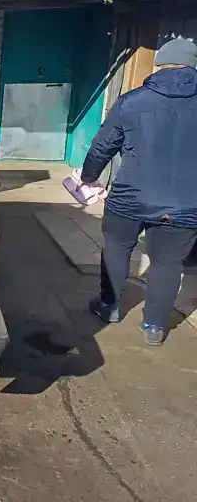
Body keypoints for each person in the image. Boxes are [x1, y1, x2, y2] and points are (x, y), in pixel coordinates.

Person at [80, 37, 197, 346]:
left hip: (130, 198)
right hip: (187, 204)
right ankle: (155, 326)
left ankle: (111, 306)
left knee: (118, 248)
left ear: (158, 64)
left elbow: (103, 144)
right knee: (168, 263)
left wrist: (89, 177)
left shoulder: (132, 101)